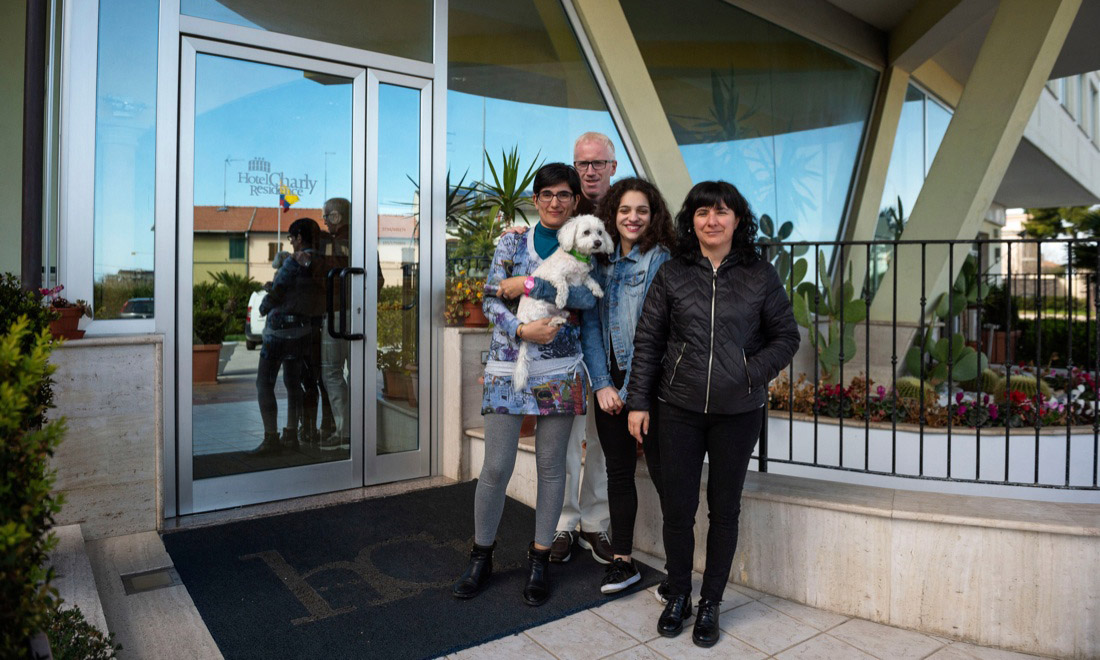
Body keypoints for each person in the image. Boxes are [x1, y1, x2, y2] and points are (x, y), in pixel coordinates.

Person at [626, 181, 799, 647]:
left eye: (722, 212)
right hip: (677, 408)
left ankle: (711, 602)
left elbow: (786, 335)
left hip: (738, 412)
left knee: (724, 509)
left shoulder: (760, 274)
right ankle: (679, 592)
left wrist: (748, 372)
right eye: (703, 212)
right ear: (692, 220)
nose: (712, 220)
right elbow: (649, 341)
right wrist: (639, 402)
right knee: (677, 508)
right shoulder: (673, 273)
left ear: (738, 219)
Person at [452, 163, 599, 607]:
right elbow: (491, 295)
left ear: (575, 200)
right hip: (507, 366)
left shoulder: (584, 241)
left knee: (552, 467)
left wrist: (528, 283)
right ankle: (481, 556)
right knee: (496, 467)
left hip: (560, 371)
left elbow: (586, 298)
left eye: (564, 195)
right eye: (547, 194)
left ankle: (539, 560)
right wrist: (520, 330)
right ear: (535, 200)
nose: (555, 202)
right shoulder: (512, 240)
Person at [579, 177, 674, 595]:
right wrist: (602, 384)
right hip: (608, 385)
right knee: (617, 471)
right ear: (611, 214)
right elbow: (590, 328)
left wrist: (634, 392)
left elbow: (655, 332)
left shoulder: (659, 260)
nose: (632, 218)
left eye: (641, 210)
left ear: (653, 216)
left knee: (663, 473)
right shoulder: (598, 260)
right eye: (624, 210)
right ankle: (622, 561)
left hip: (650, 385)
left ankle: (679, 570)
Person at [552, 131, 619, 565]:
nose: (590, 171)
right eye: (582, 164)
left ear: (612, 166)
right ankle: (563, 522)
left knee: (602, 440)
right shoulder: (564, 212)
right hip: (569, 346)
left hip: (614, 344)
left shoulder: (626, 211)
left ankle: (596, 523)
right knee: (564, 439)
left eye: (597, 163)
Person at [251, 217, 324, 456]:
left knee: (264, 382)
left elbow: (277, 292)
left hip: (279, 332)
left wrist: (263, 306)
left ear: (299, 238)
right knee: (293, 384)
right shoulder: (322, 260)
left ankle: (271, 438)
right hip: (303, 330)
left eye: (292, 238)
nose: (291, 242)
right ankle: (291, 434)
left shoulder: (293, 261)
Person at [319, 197, 351, 451]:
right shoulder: (363, 242)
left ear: (337, 217)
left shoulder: (334, 245)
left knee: (331, 372)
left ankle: (344, 432)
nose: (325, 221)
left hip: (337, 313)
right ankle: (355, 429)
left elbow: (323, 278)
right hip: (359, 314)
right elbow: (379, 280)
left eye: (326, 216)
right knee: (357, 372)